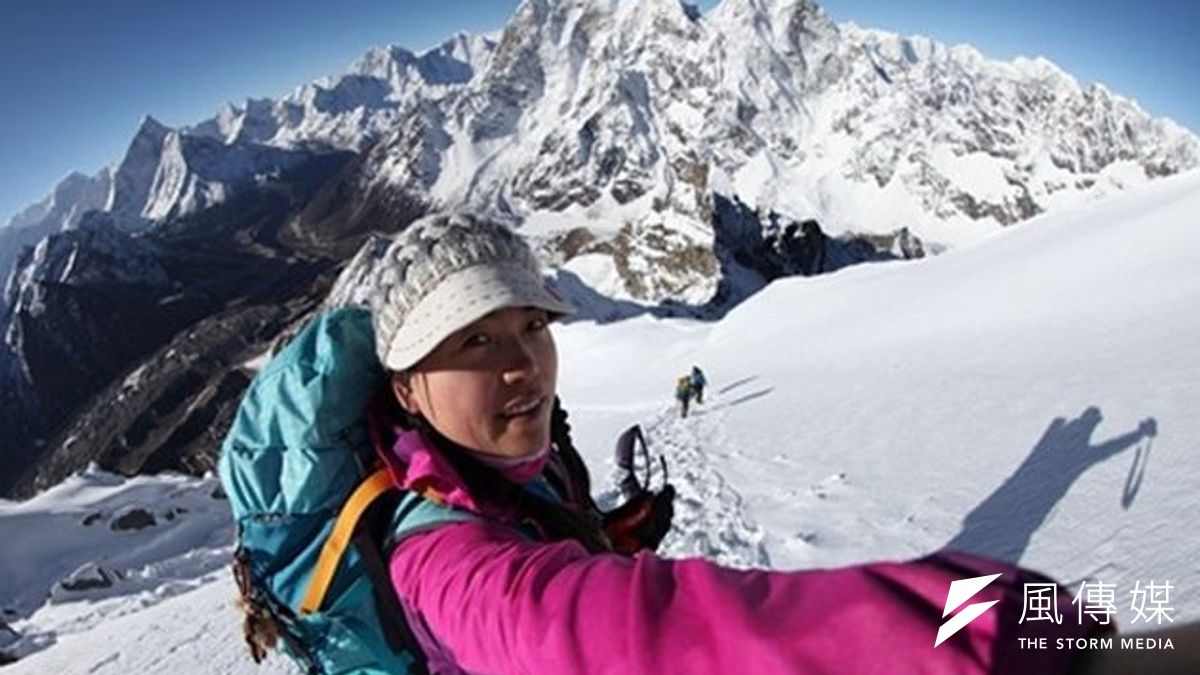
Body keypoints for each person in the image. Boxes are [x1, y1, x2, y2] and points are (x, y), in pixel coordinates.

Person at [361, 213, 1192, 674]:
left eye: (533, 323)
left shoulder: (500, 468)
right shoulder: (440, 563)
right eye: (473, 342)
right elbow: (628, 636)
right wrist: (1027, 634)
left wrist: (612, 534)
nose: (522, 365)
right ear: (405, 388)